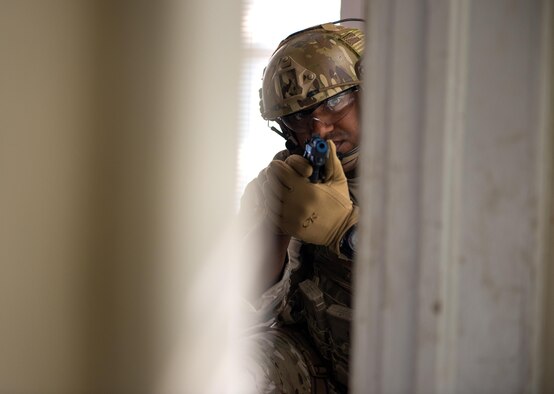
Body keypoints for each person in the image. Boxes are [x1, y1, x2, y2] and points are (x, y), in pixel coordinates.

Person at [239, 20, 364, 394]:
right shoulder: (279, 181)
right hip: (307, 354)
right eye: (298, 117)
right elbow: (240, 296)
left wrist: (347, 232)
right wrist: (273, 227)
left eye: (334, 102)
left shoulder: (427, 180)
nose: (319, 129)